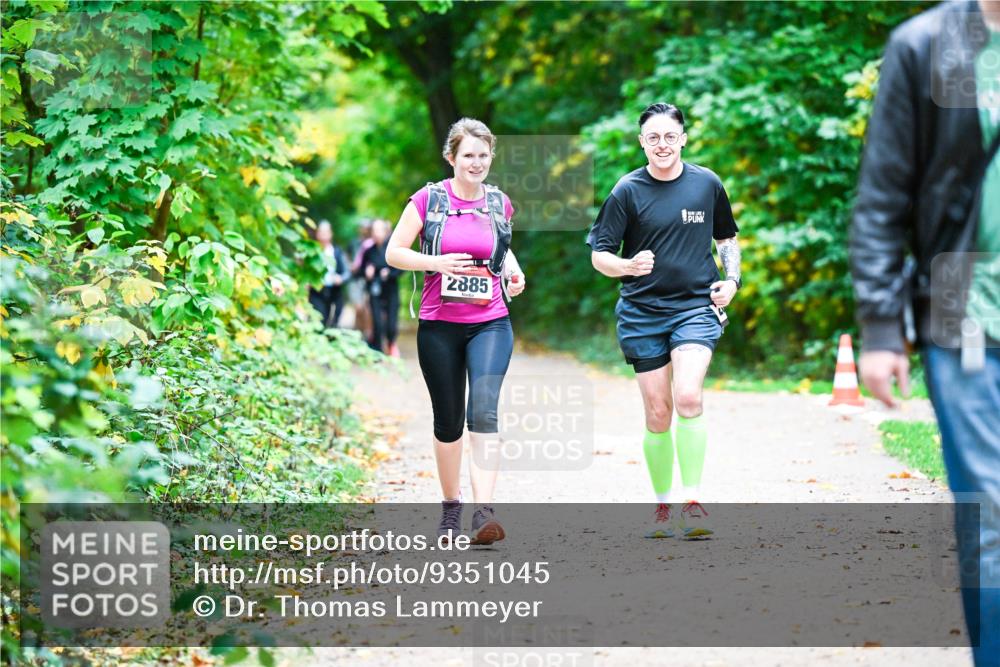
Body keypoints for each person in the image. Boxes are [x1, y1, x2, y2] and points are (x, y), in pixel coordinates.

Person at [850, 1, 999, 663]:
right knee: (992, 511)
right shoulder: (927, 44)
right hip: (965, 307)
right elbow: (884, 193)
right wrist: (882, 326)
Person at [588, 102, 740, 540]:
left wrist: (732, 279)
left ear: (683, 139)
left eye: (669, 136)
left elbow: (726, 237)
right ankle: (662, 505)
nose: (662, 145)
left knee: (688, 396)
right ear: (642, 143)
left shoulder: (706, 184)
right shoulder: (627, 191)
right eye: (653, 137)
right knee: (658, 413)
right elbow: (599, 255)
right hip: (642, 312)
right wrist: (627, 266)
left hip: (695, 306)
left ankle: (692, 502)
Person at [385, 117, 526, 545]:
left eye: (484, 155)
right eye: (468, 155)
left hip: (491, 323)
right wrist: (437, 263)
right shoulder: (428, 200)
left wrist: (514, 272)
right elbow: (395, 252)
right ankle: (451, 508)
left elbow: (500, 249)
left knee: (482, 412)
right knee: (448, 422)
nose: (477, 162)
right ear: (451, 157)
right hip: (439, 326)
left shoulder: (499, 203)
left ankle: (484, 513)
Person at [361, 219, 402, 356]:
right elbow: (360, 270)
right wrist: (367, 272)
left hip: (390, 290)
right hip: (375, 291)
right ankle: (377, 350)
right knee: (377, 323)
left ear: (386, 232)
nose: (377, 234)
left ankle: (391, 343)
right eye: (374, 230)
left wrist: (389, 273)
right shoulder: (369, 251)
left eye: (379, 230)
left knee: (391, 324)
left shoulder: (392, 249)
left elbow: (401, 269)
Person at [307, 220, 351, 329]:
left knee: (333, 322)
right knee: (318, 320)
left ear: (331, 234)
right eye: (321, 232)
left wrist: (340, 278)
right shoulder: (312, 252)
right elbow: (304, 271)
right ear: (317, 234)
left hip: (334, 291)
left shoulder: (337, 252)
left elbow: (347, 272)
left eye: (326, 232)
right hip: (317, 291)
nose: (323, 235)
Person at [350, 219, 375, 342]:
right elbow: (348, 257)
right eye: (362, 227)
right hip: (356, 279)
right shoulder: (354, 243)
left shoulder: (372, 244)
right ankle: (357, 333)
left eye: (367, 227)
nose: (364, 230)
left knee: (367, 308)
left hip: (368, 280)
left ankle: (367, 335)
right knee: (358, 308)